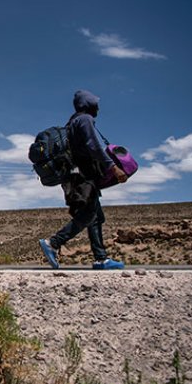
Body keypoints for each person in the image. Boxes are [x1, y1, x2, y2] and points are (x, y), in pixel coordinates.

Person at [39, 90, 128, 270]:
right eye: (96, 104)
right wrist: (112, 167)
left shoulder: (72, 122)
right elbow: (93, 146)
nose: (98, 108)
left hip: (75, 175)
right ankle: (53, 243)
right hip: (83, 176)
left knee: (95, 217)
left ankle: (100, 259)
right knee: (88, 214)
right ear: (88, 104)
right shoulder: (85, 120)